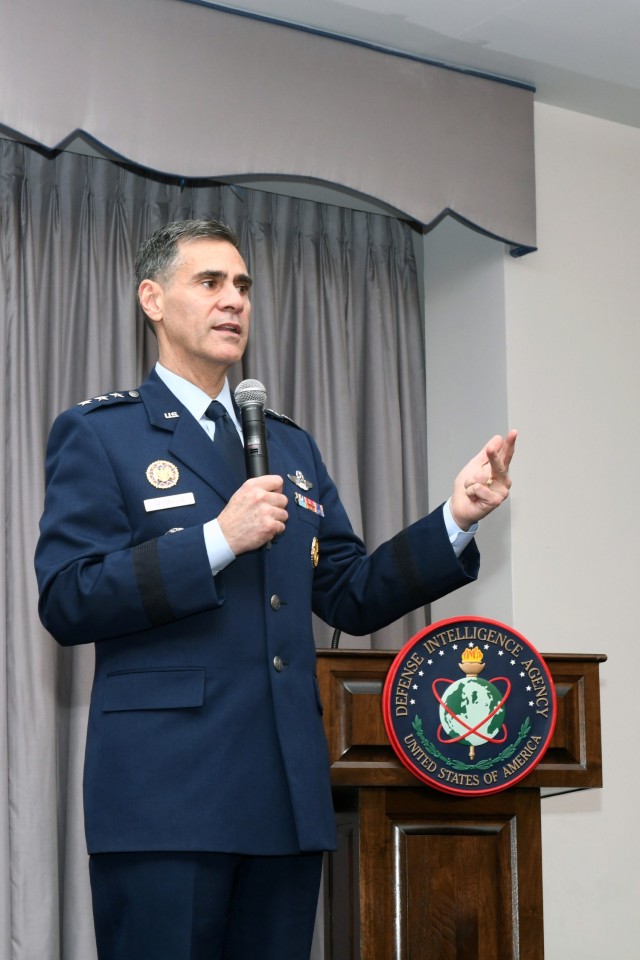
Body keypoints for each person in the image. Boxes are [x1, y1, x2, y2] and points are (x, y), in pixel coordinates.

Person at [35, 218, 516, 960]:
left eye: (244, 286)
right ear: (152, 299)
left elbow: (350, 594)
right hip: (167, 800)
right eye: (211, 282)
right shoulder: (103, 434)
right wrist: (218, 540)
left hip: (284, 798)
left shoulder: (288, 444)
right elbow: (69, 597)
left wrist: (453, 518)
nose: (234, 300)